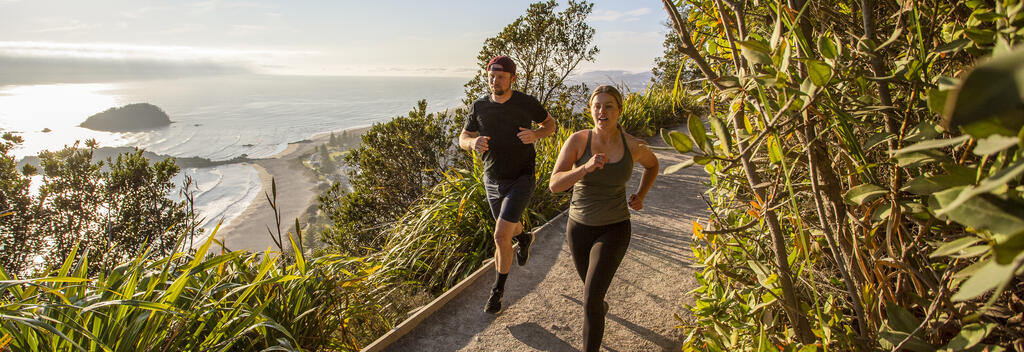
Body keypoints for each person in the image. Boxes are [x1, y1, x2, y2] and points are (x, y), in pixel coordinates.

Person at [548, 85, 659, 352]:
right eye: (597, 106)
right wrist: (584, 168)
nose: (602, 111)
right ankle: (600, 306)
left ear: (619, 110)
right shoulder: (578, 141)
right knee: (594, 297)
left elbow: (653, 165)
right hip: (578, 229)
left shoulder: (633, 145)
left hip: (615, 228)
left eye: (609, 106)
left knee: (589, 300)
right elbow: (554, 184)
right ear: (591, 110)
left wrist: (641, 195)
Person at [458, 55, 557, 314]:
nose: (494, 80)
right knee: (509, 229)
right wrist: (472, 143)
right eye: (491, 76)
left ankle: (497, 292)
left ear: (512, 78)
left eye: (500, 76)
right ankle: (524, 237)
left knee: (500, 235)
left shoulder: (526, 103)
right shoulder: (479, 106)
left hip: (522, 177)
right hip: (492, 179)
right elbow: (464, 136)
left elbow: (550, 125)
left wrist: (535, 134)